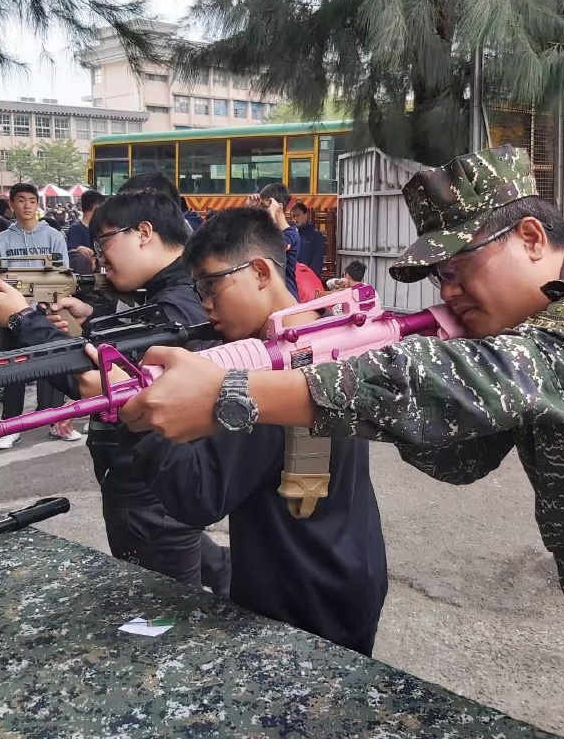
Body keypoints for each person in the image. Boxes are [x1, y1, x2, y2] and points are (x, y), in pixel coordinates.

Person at [123, 145, 564, 739]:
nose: (448, 289)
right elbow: (462, 453)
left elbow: (473, 384)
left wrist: (236, 392)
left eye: (457, 267)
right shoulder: (522, 328)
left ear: (532, 237)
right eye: (439, 277)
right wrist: (386, 348)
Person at [136, 208, 387, 653]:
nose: (204, 303)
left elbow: (198, 493)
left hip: (297, 595)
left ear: (258, 271)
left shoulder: (268, 368)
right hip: (349, 566)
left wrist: (140, 414)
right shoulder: (323, 336)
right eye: (198, 289)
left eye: (212, 285)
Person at [0, 190, 231, 597]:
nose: (100, 256)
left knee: (160, 608)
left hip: (148, 484)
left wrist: (22, 320)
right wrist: (96, 319)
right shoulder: (175, 292)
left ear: (143, 233)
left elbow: (104, 383)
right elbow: (133, 350)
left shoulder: (177, 303)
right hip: (154, 477)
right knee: (201, 564)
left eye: (105, 241)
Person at [0, 183, 80, 448]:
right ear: (12, 205)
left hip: (47, 311)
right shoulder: (2, 240)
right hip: (12, 314)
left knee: (53, 366)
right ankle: (11, 425)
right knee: (12, 369)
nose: (27, 205)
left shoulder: (53, 236)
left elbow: (64, 276)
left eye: (31, 200)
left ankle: (56, 422)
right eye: (21, 200)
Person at [252, 182, 300, 300]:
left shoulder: (291, 234)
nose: (263, 210)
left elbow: (273, 246)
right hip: (269, 295)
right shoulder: (267, 230)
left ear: (279, 206)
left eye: (265, 206)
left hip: (286, 296)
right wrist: (250, 209)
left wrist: (272, 214)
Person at [290, 200, 326, 276]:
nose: (295, 218)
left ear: (305, 215)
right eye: (293, 216)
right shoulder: (290, 235)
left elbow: (317, 261)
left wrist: (309, 276)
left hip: (308, 278)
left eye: (298, 215)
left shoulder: (316, 236)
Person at [67, 189, 104, 258]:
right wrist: (77, 250)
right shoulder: (76, 229)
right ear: (96, 207)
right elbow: (71, 254)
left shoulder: (100, 228)